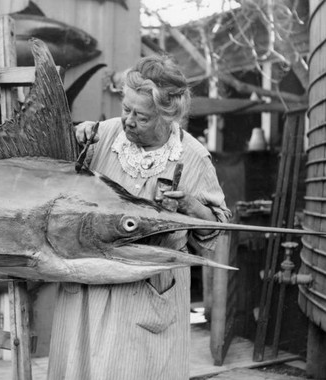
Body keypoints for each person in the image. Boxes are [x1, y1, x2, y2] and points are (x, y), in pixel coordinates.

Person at [46, 53, 232, 380]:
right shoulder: (102, 136)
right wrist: (71, 141)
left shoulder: (193, 157)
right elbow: (59, 186)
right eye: (125, 108)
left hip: (146, 293)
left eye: (141, 116)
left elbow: (216, 234)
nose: (128, 121)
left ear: (167, 115)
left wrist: (191, 208)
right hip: (89, 289)